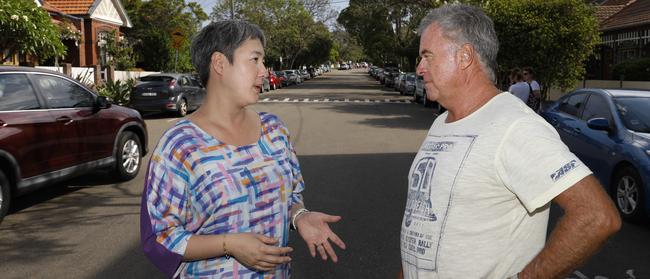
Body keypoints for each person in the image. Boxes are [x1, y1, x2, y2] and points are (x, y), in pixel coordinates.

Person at [400, 4, 620, 279]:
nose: (419, 68)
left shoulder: (515, 125)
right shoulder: (440, 123)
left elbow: (597, 216)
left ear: (465, 56)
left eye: (427, 56)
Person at [140, 20, 346, 278]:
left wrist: (299, 216)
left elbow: (291, 196)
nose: (264, 71)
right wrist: (230, 244)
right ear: (219, 64)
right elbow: (161, 237)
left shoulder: (274, 130)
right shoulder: (180, 145)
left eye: (263, 61)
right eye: (255, 59)